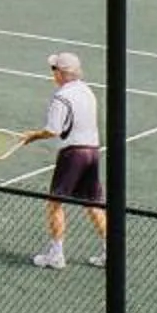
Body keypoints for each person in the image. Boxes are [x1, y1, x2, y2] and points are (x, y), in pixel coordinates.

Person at [15, 51, 109, 269]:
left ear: (60, 73)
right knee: (93, 204)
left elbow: (53, 130)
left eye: (54, 69)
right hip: (92, 152)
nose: (52, 73)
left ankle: (56, 255)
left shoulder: (61, 97)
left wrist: (31, 136)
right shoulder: (87, 91)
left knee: (55, 203)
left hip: (73, 155)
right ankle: (110, 251)